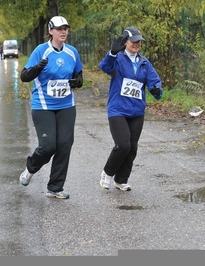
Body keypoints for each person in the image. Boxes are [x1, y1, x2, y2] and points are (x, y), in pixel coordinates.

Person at [19, 15, 83, 199]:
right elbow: (24, 76)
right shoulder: (41, 51)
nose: (63, 32)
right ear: (50, 31)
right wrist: (37, 68)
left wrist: (77, 82)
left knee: (64, 144)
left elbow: (79, 76)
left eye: (65, 28)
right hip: (43, 105)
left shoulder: (72, 52)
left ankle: (55, 187)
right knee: (48, 146)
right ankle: (30, 169)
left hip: (66, 105)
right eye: (59, 28)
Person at [98, 26, 163, 191]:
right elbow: (105, 67)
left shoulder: (144, 62)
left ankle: (121, 180)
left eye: (139, 41)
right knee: (123, 144)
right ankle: (107, 173)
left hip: (137, 111)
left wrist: (156, 89)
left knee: (132, 147)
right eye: (133, 40)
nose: (137, 43)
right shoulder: (118, 59)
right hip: (118, 109)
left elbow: (154, 81)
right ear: (125, 41)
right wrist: (112, 53)